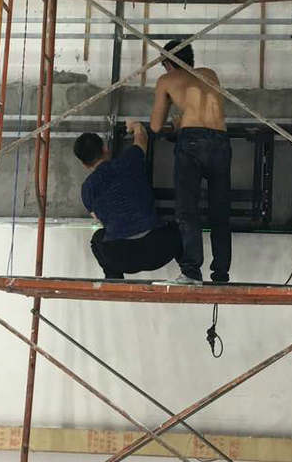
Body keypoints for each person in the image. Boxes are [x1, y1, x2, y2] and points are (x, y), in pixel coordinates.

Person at [150, 39, 232, 285]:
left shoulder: (166, 80)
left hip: (192, 141)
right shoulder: (210, 74)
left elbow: (155, 126)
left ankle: (191, 271)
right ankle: (221, 274)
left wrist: (177, 126)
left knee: (188, 210)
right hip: (221, 141)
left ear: (167, 63)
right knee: (220, 212)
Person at [75, 119, 183, 282]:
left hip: (120, 258)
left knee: (97, 239)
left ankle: (113, 279)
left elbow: (100, 219)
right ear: (105, 149)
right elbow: (142, 138)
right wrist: (135, 126)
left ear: (84, 164)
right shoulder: (129, 160)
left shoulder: (87, 189)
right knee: (180, 226)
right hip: (158, 250)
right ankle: (189, 271)